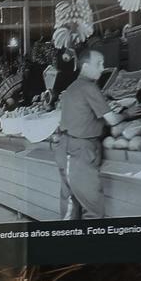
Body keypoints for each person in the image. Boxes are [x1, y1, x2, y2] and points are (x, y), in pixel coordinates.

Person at [55, 45, 113, 220]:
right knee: (92, 209)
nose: (103, 68)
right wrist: (127, 113)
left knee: (72, 206)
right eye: (99, 64)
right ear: (86, 67)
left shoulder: (73, 87)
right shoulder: (88, 87)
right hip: (78, 151)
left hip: (72, 149)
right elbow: (112, 119)